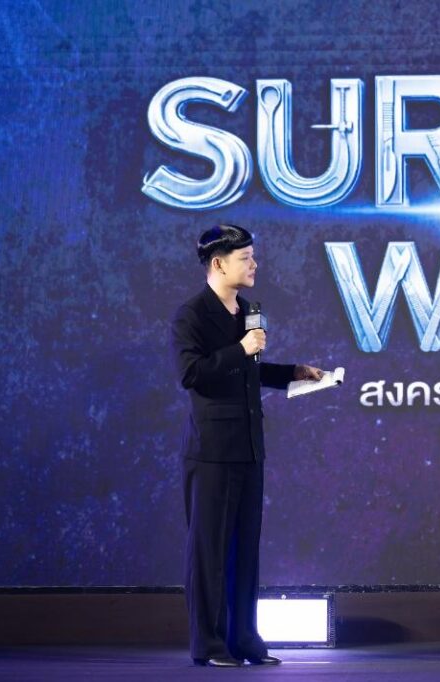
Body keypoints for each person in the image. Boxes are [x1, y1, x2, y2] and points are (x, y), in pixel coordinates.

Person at [170, 224, 323, 667]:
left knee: (245, 550)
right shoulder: (192, 314)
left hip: (250, 448)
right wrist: (241, 349)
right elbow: (191, 374)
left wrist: (292, 373)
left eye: (253, 256)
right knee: (210, 551)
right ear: (218, 264)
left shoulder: (248, 312)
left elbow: (248, 371)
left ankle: (245, 640)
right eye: (245, 258)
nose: (254, 264)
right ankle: (210, 644)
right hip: (212, 451)